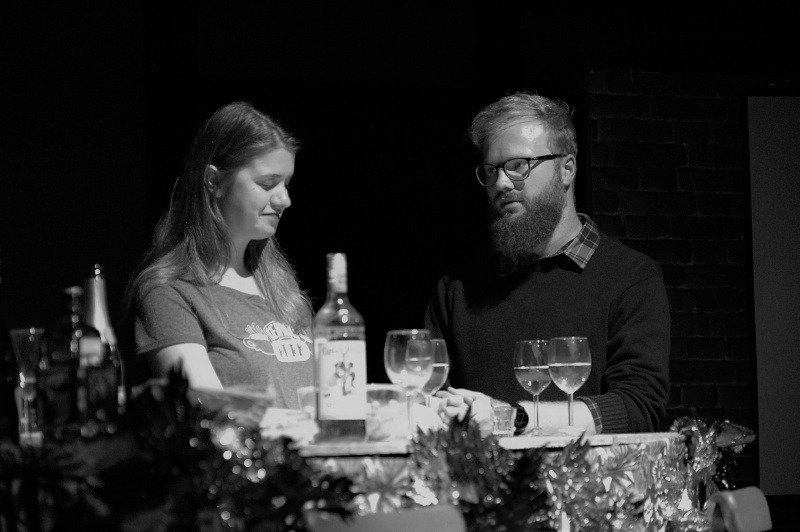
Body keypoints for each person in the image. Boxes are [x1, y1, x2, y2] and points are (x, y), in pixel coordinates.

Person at [426, 92, 670, 435]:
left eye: (518, 166)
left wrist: (514, 418)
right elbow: (427, 398)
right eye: (491, 170)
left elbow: (639, 407)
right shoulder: (458, 288)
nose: (501, 183)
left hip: (585, 471)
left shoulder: (629, 277)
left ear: (566, 168)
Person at [127, 101, 313, 409]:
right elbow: (209, 411)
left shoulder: (282, 289)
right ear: (214, 182)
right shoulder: (169, 292)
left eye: (286, 184)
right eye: (267, 183)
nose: (284, 199)